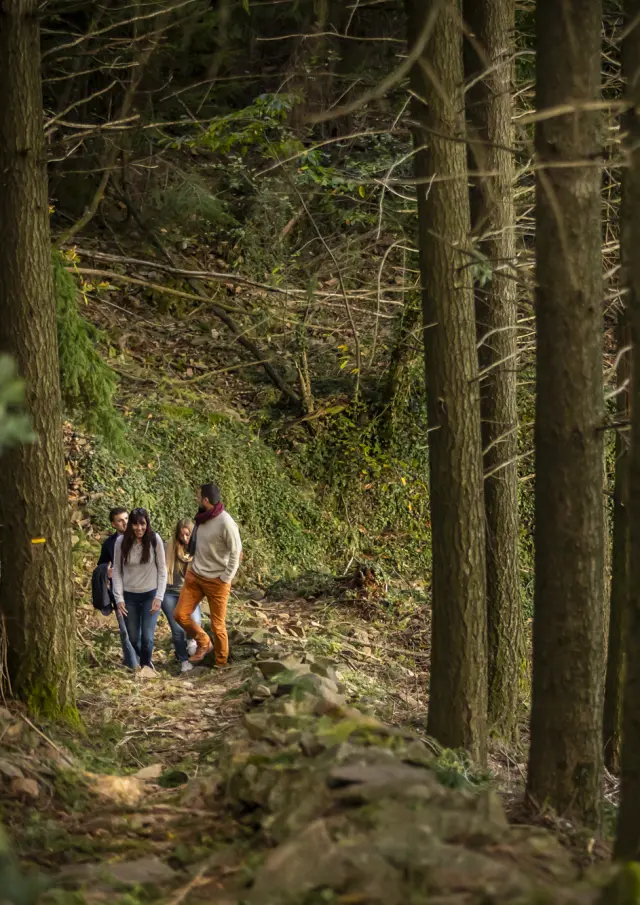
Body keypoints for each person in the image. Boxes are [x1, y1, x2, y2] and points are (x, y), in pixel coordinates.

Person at [175, 483, 242, 666]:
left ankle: (220, 664)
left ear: (205, 500)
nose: (196, 498)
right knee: (180, 615)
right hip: (195, 576)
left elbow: (236, 552)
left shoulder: (226, 522)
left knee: (218, 626)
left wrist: (226, 578)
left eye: (198, 496)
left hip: (217, 581)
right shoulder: (201, 518)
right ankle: (204, 642)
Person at [112, 508, 167, 671]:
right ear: (130, 525)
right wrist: (119, 598)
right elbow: (116, 571)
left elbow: (162, 570)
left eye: (142, 524)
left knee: (148, 638)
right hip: (130, 596)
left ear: (147, 524)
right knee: (134, 638)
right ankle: (142, 664)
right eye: (135, 524)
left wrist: (159, 597)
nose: (139, 528)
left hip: (150, 593)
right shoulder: (121, 542)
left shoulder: (154, 540)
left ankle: (145, 666)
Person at [97, 507, 137, 669]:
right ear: (113, 524)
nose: (125, 522)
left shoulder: (140, 537)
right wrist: (106, 570)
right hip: (119, 592)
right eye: (120, 520)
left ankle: (142, 660)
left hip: (140, 590)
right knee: (124, 630)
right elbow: (101, 564)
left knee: (138, 629)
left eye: (126, 518)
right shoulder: (109, 544)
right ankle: (133, 665)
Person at [163, 518, 202, 673]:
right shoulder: (170, 547)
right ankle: (183, 660)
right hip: (170, 593)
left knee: (195, 622)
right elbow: (162, 569)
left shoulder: (198, 548)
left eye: (188, 535)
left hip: (190, 593)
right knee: (177, 629)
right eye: (182, 535)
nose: (185, 538)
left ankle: (191, 641)